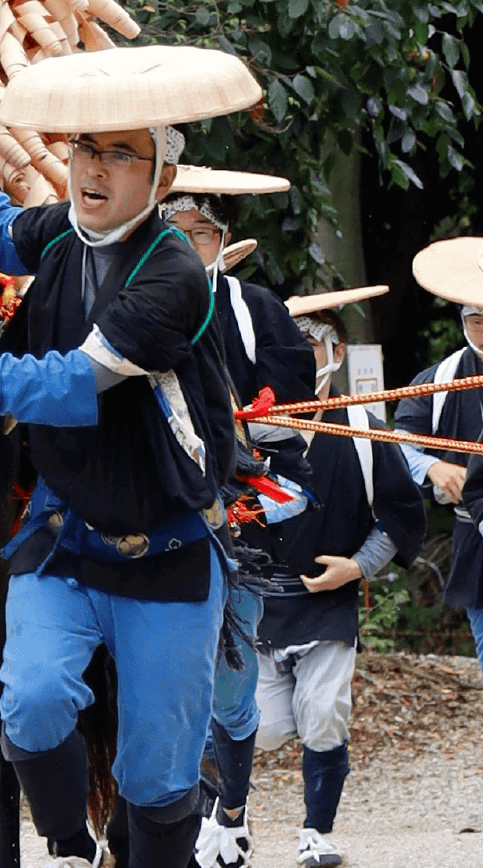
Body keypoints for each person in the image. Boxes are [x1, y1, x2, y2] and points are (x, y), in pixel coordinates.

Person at [0, 44, 257, 868]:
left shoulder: (174, 276)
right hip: (67, 539)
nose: (95, 168)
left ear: (159, 180)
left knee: (157, 780)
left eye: (122, 154)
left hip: (169, 551)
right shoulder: (62, 234)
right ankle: (68, 844)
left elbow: (68, 385)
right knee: (33, 701)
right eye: (87, 149)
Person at [160, 171, 316, 868]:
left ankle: (231, 805)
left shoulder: (257, 309)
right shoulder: (135, 300)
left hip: (242, 507)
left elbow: (296, 406)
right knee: (162, 666)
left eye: (196, 232)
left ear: (223, 241)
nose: (184, 245)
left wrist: (253, 417)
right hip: (158, 506)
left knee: (230, 677)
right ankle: (182, 809)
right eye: (172, 232)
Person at [252, 294, 425, 868]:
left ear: (337, 350)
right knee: (260, 726)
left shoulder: (363, 429)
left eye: (308, 345)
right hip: (255, 604)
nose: (299, 358)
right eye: (287, 347)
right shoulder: (251, 424)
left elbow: (401, 516)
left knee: (324, 714)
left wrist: (357, 567)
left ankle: (315, 833)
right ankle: (224, 818)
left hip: (328, 603)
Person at [393, 262, 483, 680]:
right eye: (479, 320)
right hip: (475, 532)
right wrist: (432, 466)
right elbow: (399, 444)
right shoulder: (440, 381)